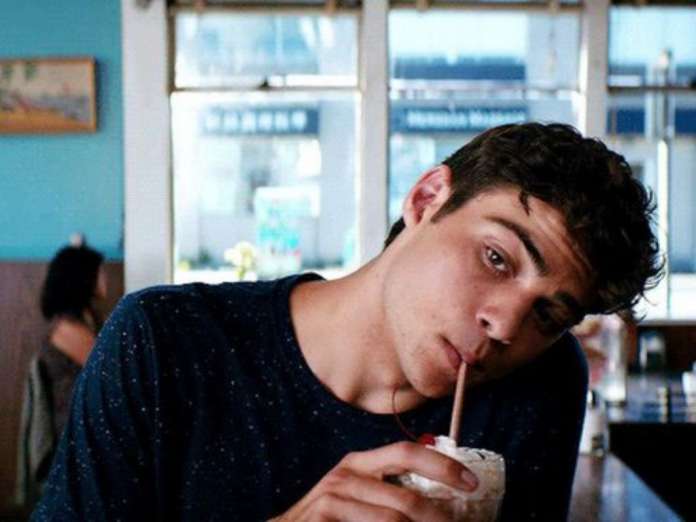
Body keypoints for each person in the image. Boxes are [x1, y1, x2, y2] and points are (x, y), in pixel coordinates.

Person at [33, 123, 661, 521]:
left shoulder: (543, 381)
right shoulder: (164, 342)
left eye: (547, 313)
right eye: (496, 258)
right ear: (426, 200)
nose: (504, 325)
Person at [16, 239, 106, 510]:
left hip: (82, 434)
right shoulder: (67, 329)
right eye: (98, 272)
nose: (104, 277)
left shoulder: (84, 321)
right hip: (70, 442)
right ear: (83, 279)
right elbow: (109, 371)